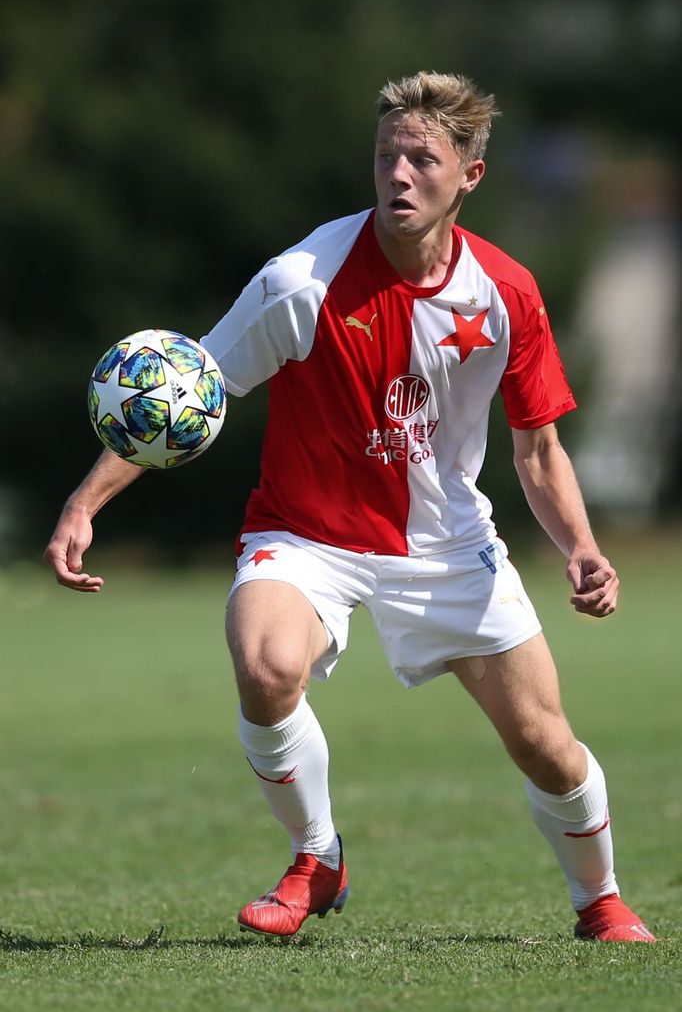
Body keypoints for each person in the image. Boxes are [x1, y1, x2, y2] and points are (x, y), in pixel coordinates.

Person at [44, 71, 656, 943]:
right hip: (306, 530)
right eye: (386, 156)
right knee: (264, 666)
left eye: (423, 159)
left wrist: (582, 547)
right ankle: (315, 854)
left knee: (545, 743)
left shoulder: (507, 293)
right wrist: (83, 502)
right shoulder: (302, 279)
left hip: (445, 541)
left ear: (469, 177)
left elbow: (538, 447)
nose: (399, 175)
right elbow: (185, 389)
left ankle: (599, 900)